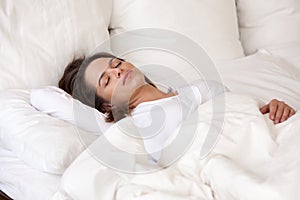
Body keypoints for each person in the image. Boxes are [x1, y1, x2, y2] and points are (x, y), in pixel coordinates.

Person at [58, 52, 297, 162]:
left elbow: (248, 114)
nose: (117, 70)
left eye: (116, 63)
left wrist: (274, 108)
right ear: (107, 105)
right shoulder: (140, 129)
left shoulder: (203, 88)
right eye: (107, 80)